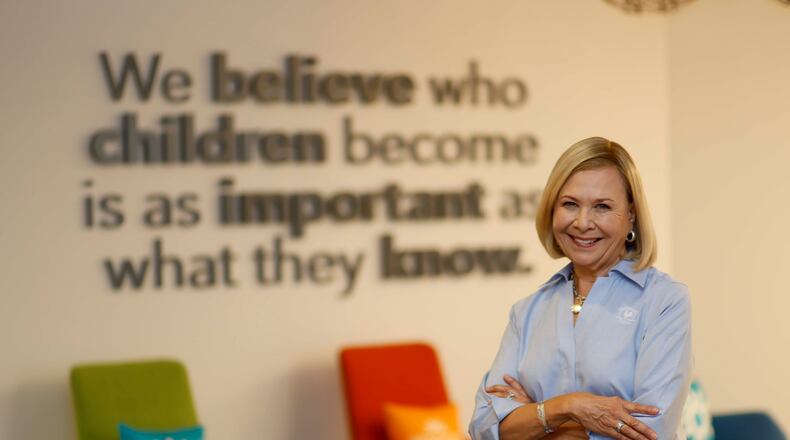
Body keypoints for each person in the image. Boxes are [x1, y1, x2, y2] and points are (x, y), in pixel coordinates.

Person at [468, 137, 691, 440]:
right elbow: (484, 428)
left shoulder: (664, 301)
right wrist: (570, 407)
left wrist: (536, 416)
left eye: (602, 206)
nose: (583, 222)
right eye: (570, 204)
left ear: (631, 215)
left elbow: (650, 432)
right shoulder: (528, 312)